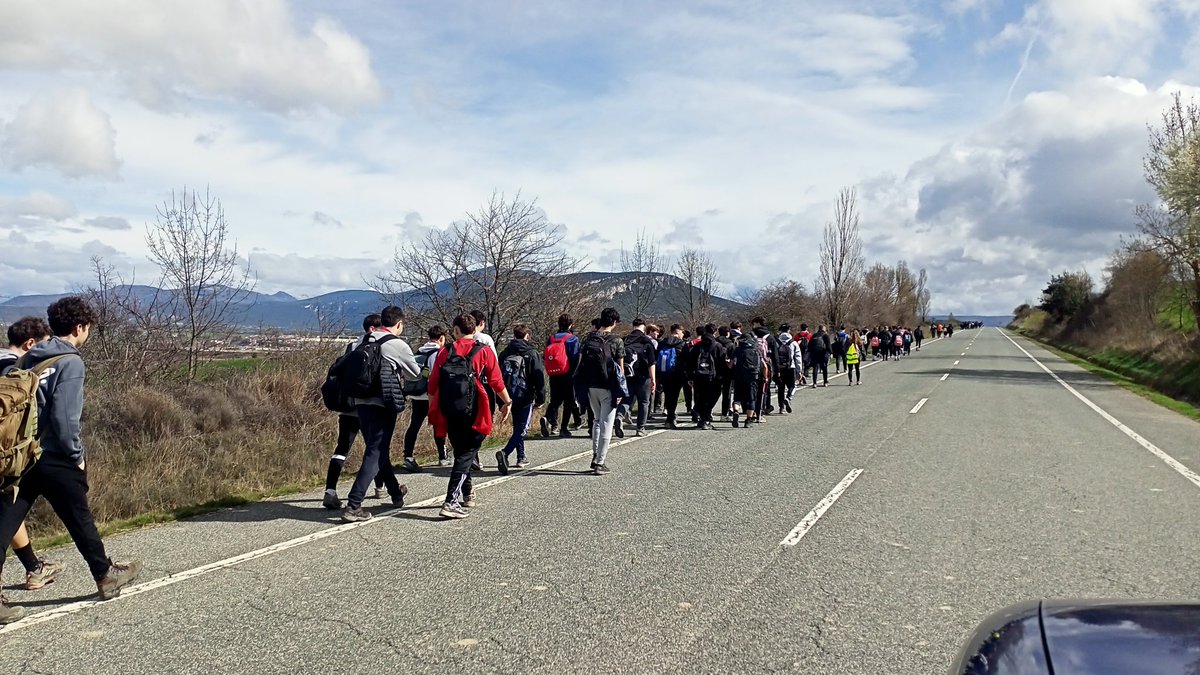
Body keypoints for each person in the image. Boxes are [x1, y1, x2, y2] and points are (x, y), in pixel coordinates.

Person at [0, 297, 141, 623]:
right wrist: (76, 456)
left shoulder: (29, 357)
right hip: (55, 455)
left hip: (22, 455)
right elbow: (65, 419)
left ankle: (104, 573)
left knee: (4, 522)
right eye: (87, 327)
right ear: (80, 327)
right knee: (79, 517)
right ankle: (105, 576)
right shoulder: (70, 362)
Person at [0, 317, 63, 593]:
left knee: (9, 508)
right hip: (5, 454)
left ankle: (34, 567)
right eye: (42, 346)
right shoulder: (14, 371)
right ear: (30, 343)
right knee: (6, 506)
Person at [428, 313, 513, 519]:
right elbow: (496, 381)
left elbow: (432, 384)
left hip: (449, 408)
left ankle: (467, 492)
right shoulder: (483, 351)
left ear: (456, 330)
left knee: (460, 451)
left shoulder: (444, 351)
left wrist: (434, 409)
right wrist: (507, 402)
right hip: (475, 407)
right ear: (474, 330)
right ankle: (451, 501)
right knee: (468, 452)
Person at [340, 306, 419, 523]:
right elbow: (415, 374)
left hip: (360, 401)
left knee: (378, 449)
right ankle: (354, 504)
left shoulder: (362, 340)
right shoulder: (397, 344)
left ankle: (395, 492)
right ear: (399, 324)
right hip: (383, 402)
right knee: (375, 451)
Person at [323, 314, 387, 510]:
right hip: (369, 405)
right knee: (374, 449)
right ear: (374, 328)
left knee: (342, 448)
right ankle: (380, 487)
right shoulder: (379, 345)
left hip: (348, 405)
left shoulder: (351, 346)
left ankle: (330, 491)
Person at [577, 308, 624, 474]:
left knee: (597, 421)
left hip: (591, 386)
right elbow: (620, 369)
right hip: (608, 387)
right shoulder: (616, 341)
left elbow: (580, 363)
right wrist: (620, 390)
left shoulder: (588, 338)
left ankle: (595, 455)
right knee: (607, 424)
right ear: (614, 322)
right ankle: (600, 462)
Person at [496, 324, 546, 473]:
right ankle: (505, 452)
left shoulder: (505, 353)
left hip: (508, 395)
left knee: (518, 426)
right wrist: (540, 398)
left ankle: (521, 456)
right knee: (523, 428)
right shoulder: (531, 353)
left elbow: (498, 376)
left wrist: (500, 400)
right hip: (525, 394)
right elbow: (539, 378)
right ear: (527, 336)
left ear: (514, 336)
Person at [401, 325, 449, 471]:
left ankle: (408, 456)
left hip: (417, 395)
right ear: (441, 338)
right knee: (438, 425)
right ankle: (442, 456)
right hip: (431, 395)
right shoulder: (437, 354)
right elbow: (437, 377)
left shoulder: (418, 352)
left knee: (414, 425)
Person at [540, 314, 582, 438]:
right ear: (570, 325)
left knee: (555, 400)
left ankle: (547, 417)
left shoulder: (551, 338)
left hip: (553, 373)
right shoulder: (572, 339)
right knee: (568, 401)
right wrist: (574, 372)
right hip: (567, 373)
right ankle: (564, 428)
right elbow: (574, 357)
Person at [620, 319, 657, 436]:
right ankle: (640, 428)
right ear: (644, 327)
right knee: (644, 402)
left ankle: (619, 416)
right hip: (643, 376)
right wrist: (653, 379)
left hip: (628, 374)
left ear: (633, 326)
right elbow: (651, 363)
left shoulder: (625, 340)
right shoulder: (647, 341)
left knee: (626, 399)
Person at [686, 324, 727, 429]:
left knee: (701, 396)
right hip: (714, 377)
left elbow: (690, 362)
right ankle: (705, 419)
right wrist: (722, 376)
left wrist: (690, 377)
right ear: (715, 332)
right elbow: (722, 363)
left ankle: (699, 413)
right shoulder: (718, 346)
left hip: (699, 376)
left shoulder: (697, 346)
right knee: (712, 397)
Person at [730, 328, 764, 428]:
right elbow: (763, 365)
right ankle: (748, 420)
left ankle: (736, 411)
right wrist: (764, 376)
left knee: (737, 397)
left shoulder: (737, 349)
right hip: (752, 376)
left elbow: (731, 364)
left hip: (739, 375)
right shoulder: (756, 349)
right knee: (751, 399)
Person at [656, 324, 687, 429]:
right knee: (674, 396)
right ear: (678, 331)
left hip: (663, 373)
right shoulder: (681, 344)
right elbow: (686, 360)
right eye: (682, 332)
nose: (683, 334)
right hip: (677, 374)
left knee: (667, 394)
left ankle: (669, 415)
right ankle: (670, 418)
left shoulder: (662, 343)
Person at [749, 317, 778, 415]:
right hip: (766, 366)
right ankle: (764, 408)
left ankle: (751, 409)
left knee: (753, 388)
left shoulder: (750, 336)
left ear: (757, 324)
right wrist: (777, 369)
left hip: (752, 365)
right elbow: (775, 355)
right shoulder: (770, 337)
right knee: (765, 388)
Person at [714, 325, 736, 421]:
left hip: (715, 370)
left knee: (714, 392)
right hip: (727, 371)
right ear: (728, 333)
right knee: (727, 393)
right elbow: (733, 358)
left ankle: (708, 412)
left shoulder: (715, 343)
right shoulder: (731, 344)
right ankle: (724, 414)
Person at [774, 324, 797, 414]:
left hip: (780, 368)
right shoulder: (793, 342)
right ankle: (788, 398)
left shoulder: (776, 342)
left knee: (781, 388)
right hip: (791, 367)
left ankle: (781, 408)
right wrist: (799, 370)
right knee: (792, 385)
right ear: (788, 330)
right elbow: (798, 357)